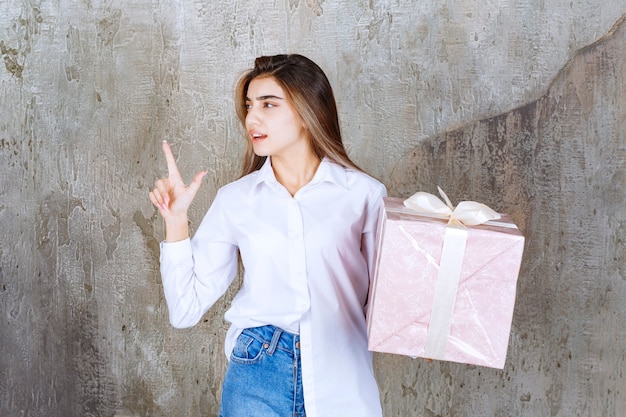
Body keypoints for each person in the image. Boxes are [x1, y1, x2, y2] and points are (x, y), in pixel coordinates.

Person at [149, 54, 386, 417]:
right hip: (258, 368)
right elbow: (185, 310)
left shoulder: (364, 195)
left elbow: (387, 305)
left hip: (341, 371)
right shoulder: (236, 199)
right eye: (248, 106)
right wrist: (176, 219)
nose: (252, 119)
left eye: (268, 105)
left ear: (309, 113)